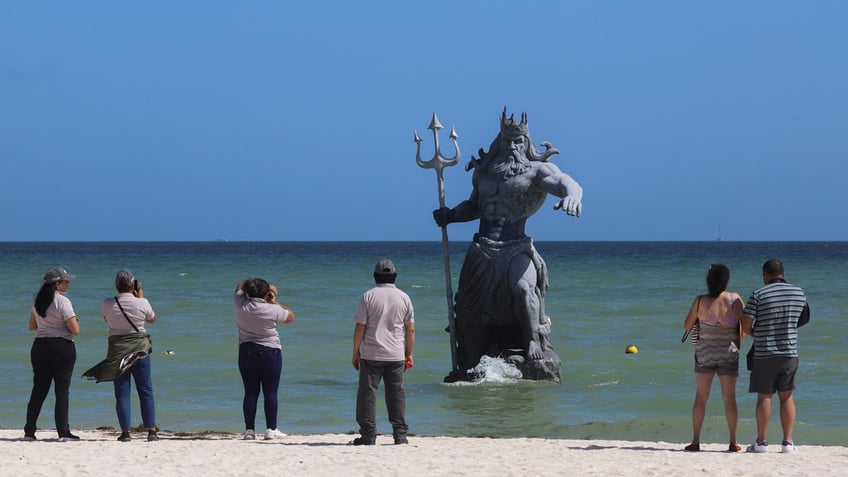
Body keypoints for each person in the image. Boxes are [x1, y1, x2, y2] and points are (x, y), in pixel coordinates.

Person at [433, 108, 582, 379]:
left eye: (518, 141)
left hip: (516, 247)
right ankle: (471, 363)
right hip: (483, 247)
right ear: (499, 142)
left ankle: (533, 340)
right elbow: (474, 206)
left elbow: (564, 181)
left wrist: (574, 195)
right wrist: (452, 215)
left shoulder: (537, 171)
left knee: (523, 288)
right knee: (470, 308)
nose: (512, 146)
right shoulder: (485, 173)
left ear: (527, 143)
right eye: (507, 141)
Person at [740, 259, 809, 454]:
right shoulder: (799, 292)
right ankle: (788, 442)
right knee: (787, 397)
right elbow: (803, 319)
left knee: (764, 397)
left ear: (765, 275)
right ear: (783, 274)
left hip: (764, 353)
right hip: (790, 352)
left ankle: (761, 442)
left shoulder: (759, 294)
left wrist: (756, 333)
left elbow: (745, 323)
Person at [351, 259, 415, 445]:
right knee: (396, 394)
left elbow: (360, 328)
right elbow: (410, 329)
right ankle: (400, 435)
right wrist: (408, 353)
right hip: (396, 354)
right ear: (394, 276)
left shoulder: (368, 296)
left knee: (367, 394)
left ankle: (369, 435)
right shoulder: (404, 297)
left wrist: (356, 352)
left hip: (371, 354)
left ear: (375, 276)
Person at [682, 264, 744, 452]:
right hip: (728, 354)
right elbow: (745, 327)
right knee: (729, 399)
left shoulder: (700, 301)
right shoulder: (735, 299)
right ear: (727, 280)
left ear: (708, 281)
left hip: (705, 353)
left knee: (701, 397)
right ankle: (733, 442)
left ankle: (695, 441)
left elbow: (686, 325)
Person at [98, 270, 158, 442]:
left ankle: (125, 432)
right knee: (145, 390)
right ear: (133, 285)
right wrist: (140, 297)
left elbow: (107, 321)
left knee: (122, 392)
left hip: (118, 352)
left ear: (117, 286)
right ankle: (151, 431)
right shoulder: (142, 302)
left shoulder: (107, 303)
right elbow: (152, 319)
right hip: (140, 350)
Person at [23, 267, 81, 441]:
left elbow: (32, 326)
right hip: (61, 346)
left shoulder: (37, 300)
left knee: (39, 389)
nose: (68, 284)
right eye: (66, 281)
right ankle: (63, 432)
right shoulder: (63, 301)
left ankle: (29, 431)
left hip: (40, 346)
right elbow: (75, 330)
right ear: (57, 284)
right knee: (62, 390)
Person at [235, 278, 295, 440]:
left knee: (250, 392)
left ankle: (249, 430)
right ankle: (271, 429)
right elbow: (290, 316)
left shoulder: (240, 304)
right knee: (270, 392)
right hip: (270, 351)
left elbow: (240, 285)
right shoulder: (272, 309)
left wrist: (251, 285)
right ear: (266, 293)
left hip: (247, 350)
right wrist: (274, 300)